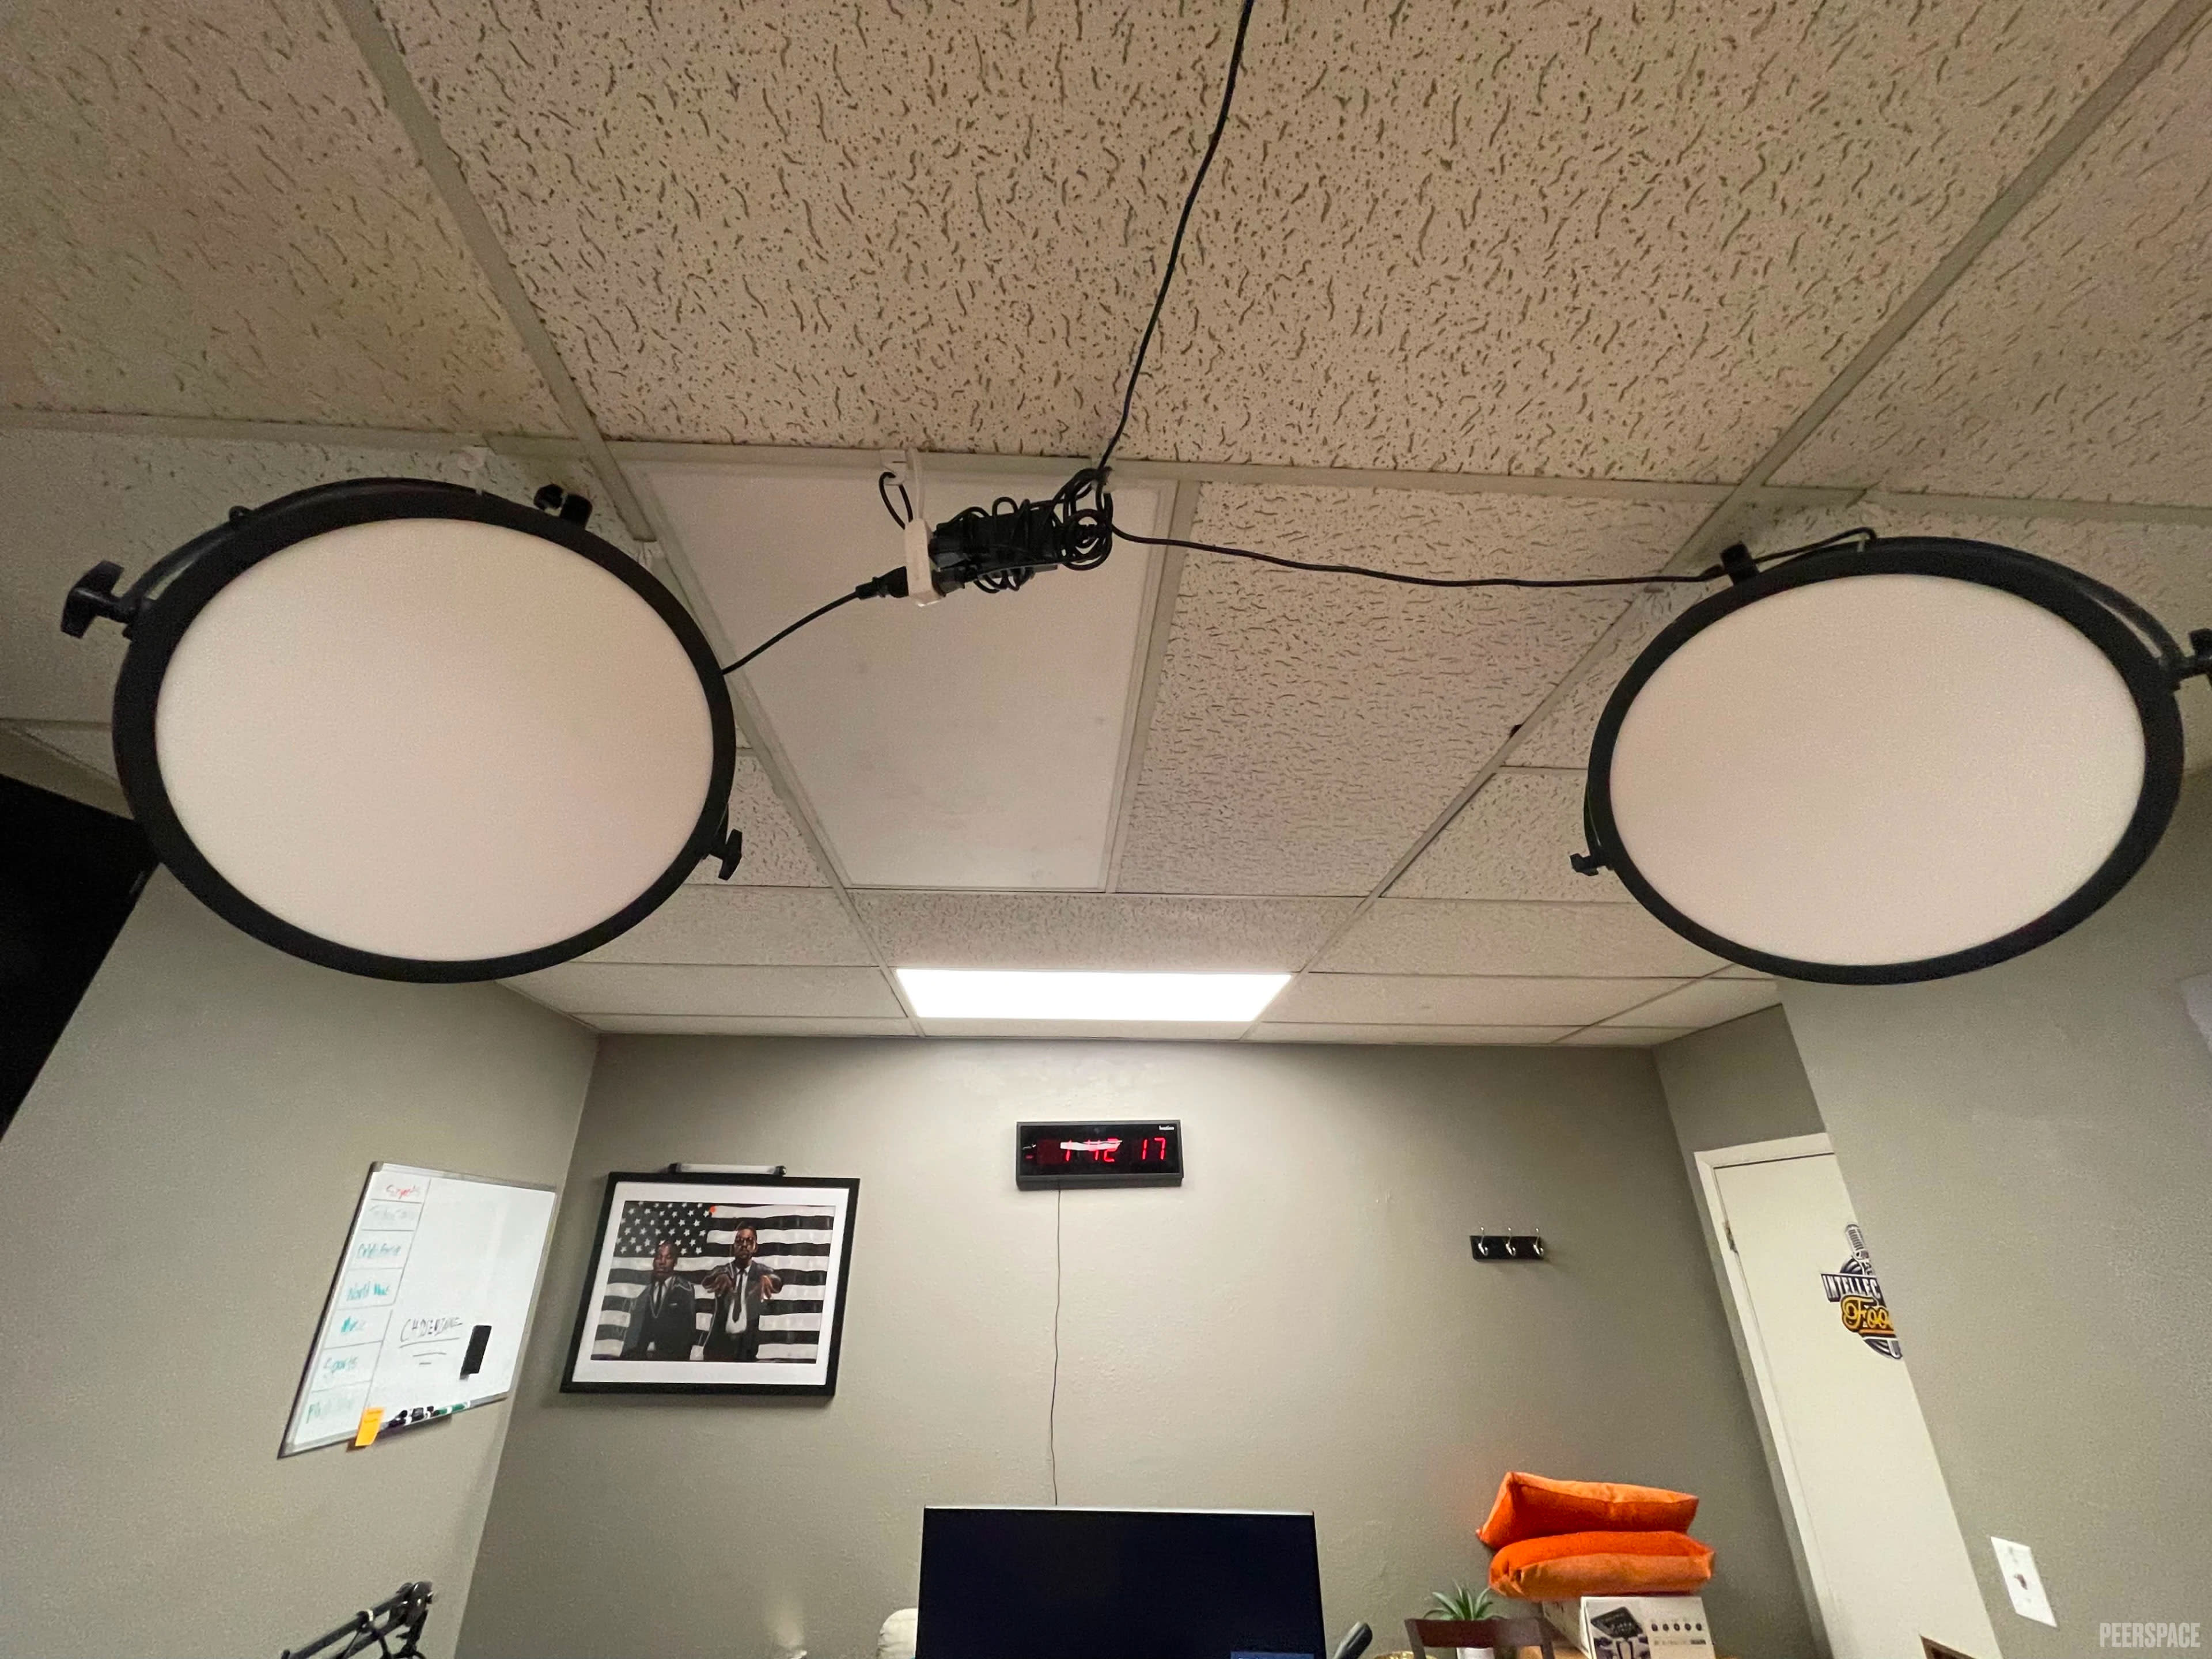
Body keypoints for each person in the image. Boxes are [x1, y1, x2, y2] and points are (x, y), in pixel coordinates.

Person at [700, 1225, 783, 1362]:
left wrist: (769, 1279)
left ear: (756, 1247)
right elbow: (707, 1281)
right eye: (739, 1241)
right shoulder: (724, 1270)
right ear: (734, 1246)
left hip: (747, 1350)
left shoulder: (761, 1271)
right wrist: (720, 1276)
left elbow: (778, 1280)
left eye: (749, 1241)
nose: (744, 1245)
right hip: (717, 1349)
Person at [620, 1237, 699, 1360]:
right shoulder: (645, 1295)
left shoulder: (684, 1290)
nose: (662, 1262)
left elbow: (687, 1335)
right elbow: (634, 1336)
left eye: (668, 1257)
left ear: (675, 1262)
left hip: (672, 1361)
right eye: (658, 1257)